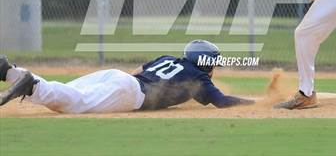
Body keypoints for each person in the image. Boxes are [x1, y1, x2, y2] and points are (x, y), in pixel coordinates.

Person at [0, 40, 254, 113]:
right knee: (75, 104)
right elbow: (221, 102)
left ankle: (10, 72)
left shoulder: (168, 58)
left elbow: (137, 72)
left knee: (70, 92)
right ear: (206, 64)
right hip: (131, 93)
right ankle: (30, 86)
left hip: (118, 77)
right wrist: (254, 102)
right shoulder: (199, 78)